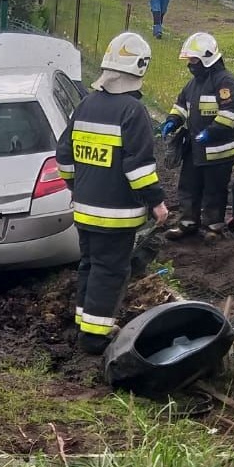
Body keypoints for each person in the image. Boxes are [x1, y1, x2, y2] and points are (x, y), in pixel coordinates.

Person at [56, 32, 169, 353]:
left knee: (89, 265)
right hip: (116, 216)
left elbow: (63, 156)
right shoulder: (132, 113)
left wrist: (75, 188)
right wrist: (157, 202)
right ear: (139, 69)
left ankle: (84, 321)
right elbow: (139, 170)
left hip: (84, 210)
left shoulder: (86, 105)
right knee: (111, 270)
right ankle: (94, 337)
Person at [160, 32, 234, 242]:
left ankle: (213, 228)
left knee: (214, 190)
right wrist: (173, 120)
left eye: (194, 60)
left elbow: (231, 114)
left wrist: (211, 132)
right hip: (195, 148)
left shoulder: (225, 82)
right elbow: (181, 106)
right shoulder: (193, 84)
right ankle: (187, 223)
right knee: (188, 185)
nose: (190, 64)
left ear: (207, 58)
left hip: (219, 150)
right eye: (189, 60)